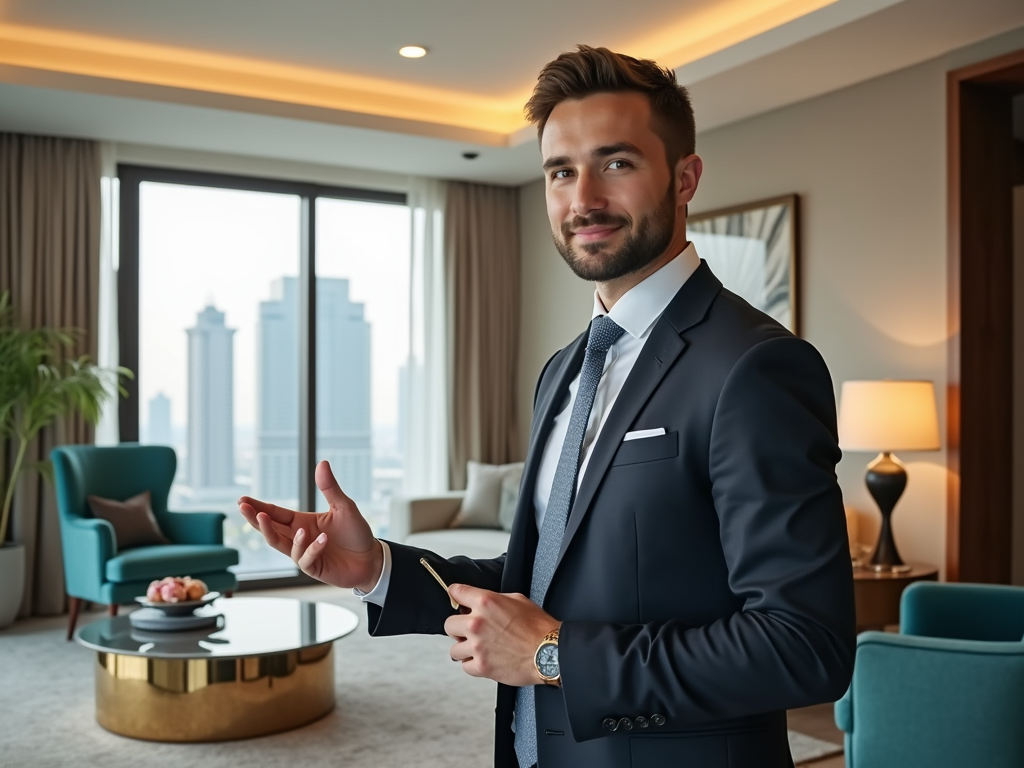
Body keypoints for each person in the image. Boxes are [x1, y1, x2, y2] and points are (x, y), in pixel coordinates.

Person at [239, 44, 855, 768]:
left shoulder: (754, 366)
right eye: (561, 171)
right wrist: (376, 568)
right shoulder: (566, 369)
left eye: (616, 163)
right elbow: (546, 576)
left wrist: (556, 656)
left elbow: (803, 645)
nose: (583, 198)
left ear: (684, 178)